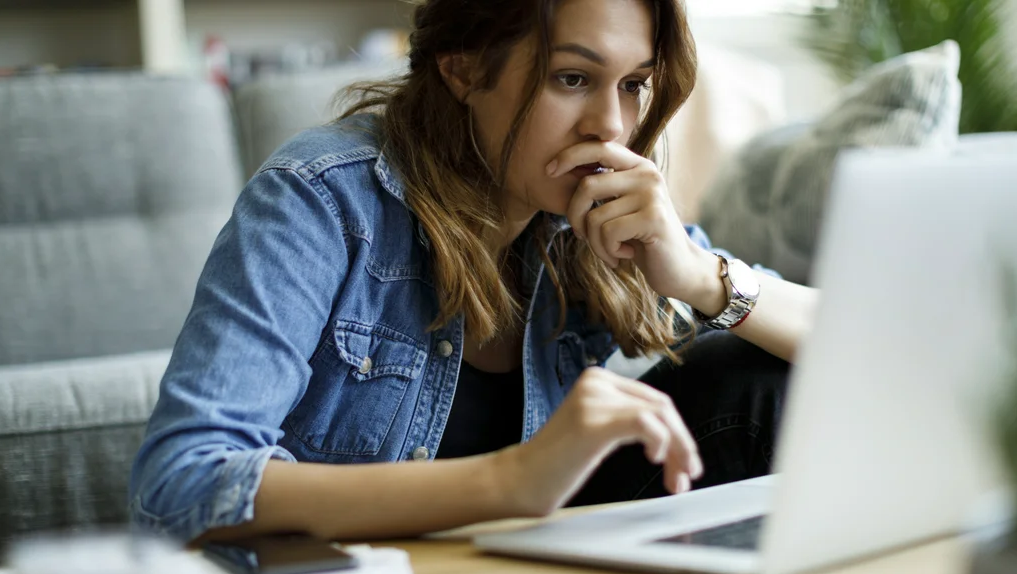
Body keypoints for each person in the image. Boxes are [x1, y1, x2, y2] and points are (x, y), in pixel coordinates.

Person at [128, 0, 819, 545]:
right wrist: (514, 480)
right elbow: (182, 482)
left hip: (523, 572)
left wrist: (699, 276)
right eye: (571, 78)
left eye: (634, 84)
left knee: (756, 377)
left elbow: (866, 349)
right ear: (462, 68)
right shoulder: (322, 199)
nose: (610, 125)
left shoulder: (591, 216)